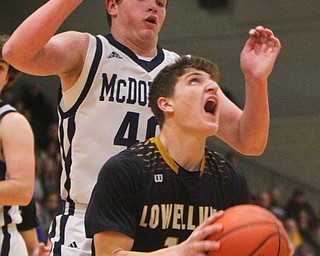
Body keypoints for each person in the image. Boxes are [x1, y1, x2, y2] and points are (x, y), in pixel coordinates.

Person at [2, 0, 281, 254]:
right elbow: (16, 53)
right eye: (145, 0)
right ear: (112, 5)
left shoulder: (181, 75)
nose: (155, 7)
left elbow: (249, 140)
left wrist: (257, 81)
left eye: (162, 3)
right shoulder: (87, 51)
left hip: (157, 224)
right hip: (86, 223)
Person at [85, 55, 250, 255]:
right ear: (166, 104)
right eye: (195, 80)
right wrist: (179, 252)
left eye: (214, 83)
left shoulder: (229, 179)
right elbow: (109, 254)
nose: (213, 88)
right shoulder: (126, 170)